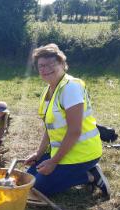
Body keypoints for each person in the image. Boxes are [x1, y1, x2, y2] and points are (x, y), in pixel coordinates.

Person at [24, 43, 110, 198]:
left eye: (52, 64)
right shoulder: (48, 90)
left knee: (38, 188)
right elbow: (49, 128)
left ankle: (90, 175)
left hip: (82, 152)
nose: (46, 69)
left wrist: (53, 162)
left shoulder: (70, 87)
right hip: (65, 150)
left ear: (62, 64)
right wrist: (39, 154)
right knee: (28, 179)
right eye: (41, 66)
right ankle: (73, 172)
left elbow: (75, 130)